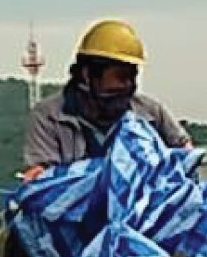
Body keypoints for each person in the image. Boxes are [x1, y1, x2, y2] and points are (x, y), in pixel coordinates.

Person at [21, 19, 190, 178]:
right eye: (121, 77)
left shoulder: (150, 113)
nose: (128, 85)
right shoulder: (49, 118)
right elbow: (40, 178)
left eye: (133, 77)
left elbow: (185, 156)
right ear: (88, 75)